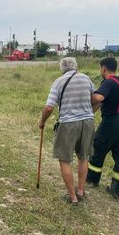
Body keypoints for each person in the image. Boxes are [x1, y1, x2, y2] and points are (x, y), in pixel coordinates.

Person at [39, 57, 95, 205]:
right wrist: (90, 112)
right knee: (83, 157)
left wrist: (42, 122)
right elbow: (96, 99)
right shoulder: (86, 78)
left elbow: (49, 107)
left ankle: (72, 197)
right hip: (88, 122)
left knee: (65, 160)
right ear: (76, 67)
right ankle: (81, 191)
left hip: (68, 124)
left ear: (62, 69)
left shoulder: (58, 82)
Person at [87, 57, 119, 200]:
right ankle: (118, 191)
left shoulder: (109, 82)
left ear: (104, 68)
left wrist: (88, 97)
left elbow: (99, 98)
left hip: (111, 123)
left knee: (98, 148)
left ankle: (92, 179)